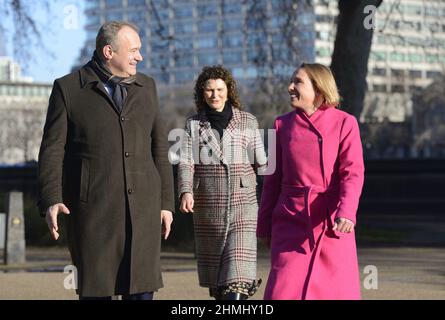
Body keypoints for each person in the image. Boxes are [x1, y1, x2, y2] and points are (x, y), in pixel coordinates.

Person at [37, 21, 174, 300]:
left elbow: (160, 148)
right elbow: (52, 149)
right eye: (134, 50)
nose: (140, 57)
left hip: (144, 212)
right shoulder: (68, 89)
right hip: (94, 215)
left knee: (141, 291)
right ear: (109, 52)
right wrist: (52, 198)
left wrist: (166, 204)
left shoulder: (147, 87)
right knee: (96, 291)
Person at [257, 63, 365, 300]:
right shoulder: (281, 125)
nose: (290, 87)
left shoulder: (345, 123)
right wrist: (264, 224)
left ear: (319, 88)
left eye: (298, 82)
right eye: (291, 81)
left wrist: (346, 212)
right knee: (281, 292)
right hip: (290, 222)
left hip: (332, 224)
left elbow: (353, 172)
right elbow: (272, 180)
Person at [178, 65, 267, 300]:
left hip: (244, 205)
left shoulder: (248, 121)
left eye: (219, 89)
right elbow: (186, 161)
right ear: (201, 93)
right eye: (209, 90)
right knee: (219, 285)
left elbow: (263, 164)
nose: (215, 95)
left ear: (229, 91)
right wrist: (186, 191)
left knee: (236, 280)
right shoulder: (193, 124)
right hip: (209, 206)